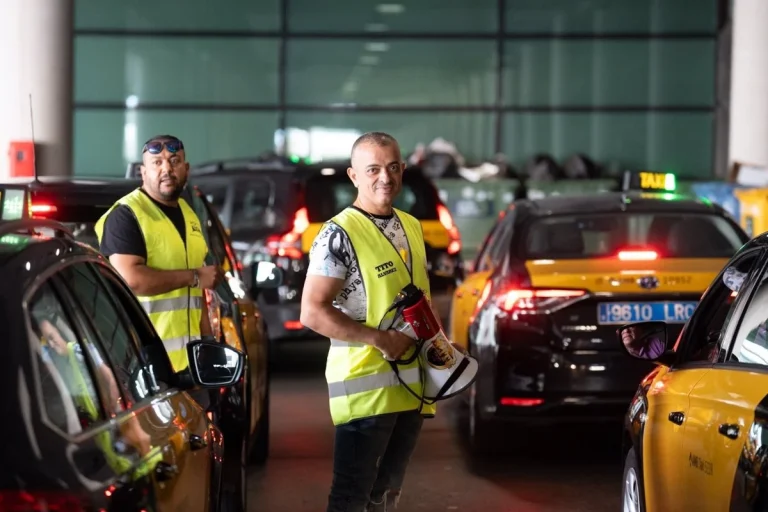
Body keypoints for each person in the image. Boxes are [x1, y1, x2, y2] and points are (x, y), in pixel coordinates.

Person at [301, 132, 435, 512]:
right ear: (354, 176)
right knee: (351, 498)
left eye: (393, 167)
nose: (385, 178)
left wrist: (441, 345)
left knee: (385, 495)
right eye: (373, 169)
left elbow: (420, 298)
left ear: (403, 169)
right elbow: (312, 312)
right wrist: (379, 339)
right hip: (365, 388)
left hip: (410, 385)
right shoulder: (337, 234)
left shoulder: (410, 225)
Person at [94, 134, 222, 408]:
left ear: (186, 170)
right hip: (144, 367)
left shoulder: (189, 214)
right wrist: (196, 275)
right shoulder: (127, 215)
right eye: (157, 162)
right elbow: (132, 279)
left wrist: (207, 345)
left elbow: (195, 296)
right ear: (143, 172)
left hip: (190, 366)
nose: (166, 168)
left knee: (201, 446)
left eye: (174, 161)